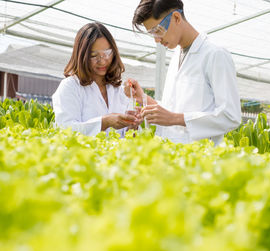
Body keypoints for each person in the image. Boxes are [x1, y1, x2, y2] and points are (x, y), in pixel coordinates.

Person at [128, 0, 241, 145]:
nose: (157, 40)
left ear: (176, 18)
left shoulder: (215, 54)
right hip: (174, 157)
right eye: (152, 34)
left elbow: (230, 116)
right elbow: (174, 109)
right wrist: (143, 98)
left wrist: (175, 118)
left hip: (202, 160)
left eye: (158, 30)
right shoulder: (176, 56)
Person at [52, 22, 141, 137]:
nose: (102, 61)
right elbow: (65, 130)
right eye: (94, 55)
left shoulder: (118, 90)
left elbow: (125, 137)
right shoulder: (70, 86)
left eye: (107, 53)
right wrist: (105, 122)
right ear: (82, 56)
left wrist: (132, 127)